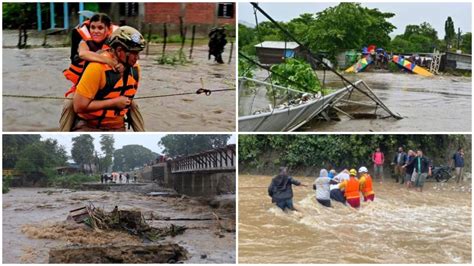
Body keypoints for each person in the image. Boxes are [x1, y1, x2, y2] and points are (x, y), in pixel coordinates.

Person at [72, 26, 146, 131]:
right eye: (134, 53)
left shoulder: (135, 69)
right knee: (68, 105)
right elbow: (79, 106)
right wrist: (114, 102)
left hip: (118, 126)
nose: (137, 58)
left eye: (138, 53)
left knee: (134, 106)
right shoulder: (96, 68)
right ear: (119, 50)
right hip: (90, 126)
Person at [60, 13, 122, 131]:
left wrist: (120, 66)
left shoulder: (115, 44)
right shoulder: (84, 42)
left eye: (100, 28)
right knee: (68, 104)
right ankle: (63, 133)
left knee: (133, 105)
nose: (95, 31)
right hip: (85, 87)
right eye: (93, 27)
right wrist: (108, 60)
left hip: (108, 88)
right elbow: (83, 54)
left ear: (107, 29)